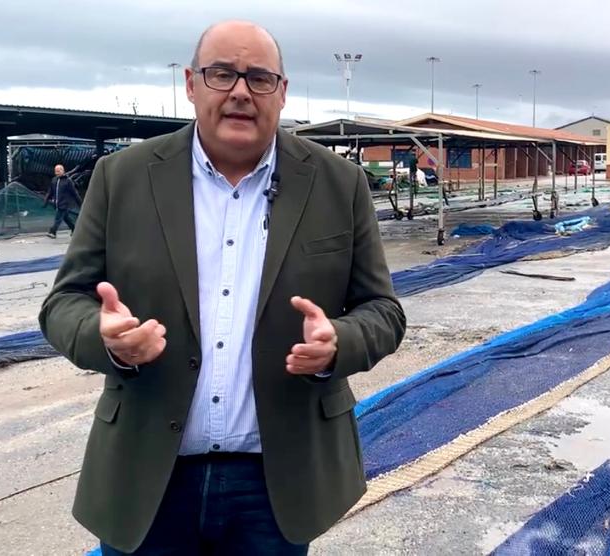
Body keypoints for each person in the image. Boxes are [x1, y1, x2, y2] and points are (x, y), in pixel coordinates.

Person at [38, 20, 405, 555]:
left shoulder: (337, 182)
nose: (239, 91)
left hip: (279, 480)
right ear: (191, 84)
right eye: (221, 74)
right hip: (148, 476)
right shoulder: (122, 177)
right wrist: (105, 337)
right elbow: (61, 305)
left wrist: (338, 344)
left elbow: (383, 311)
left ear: (282, 92)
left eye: (258, 77)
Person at [44, 164, 82, 238]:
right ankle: (74, 229)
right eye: (56, 171)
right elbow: (50, 191)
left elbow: (74, 193)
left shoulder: (68, 181)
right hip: (57, 203)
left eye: (58, 171)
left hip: (64, 204)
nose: (57, 173)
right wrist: (46, 199)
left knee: (58, 218)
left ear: (63, 170)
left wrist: (80, 203)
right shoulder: (54, 180)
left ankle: (53, 232)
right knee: (66, 218)